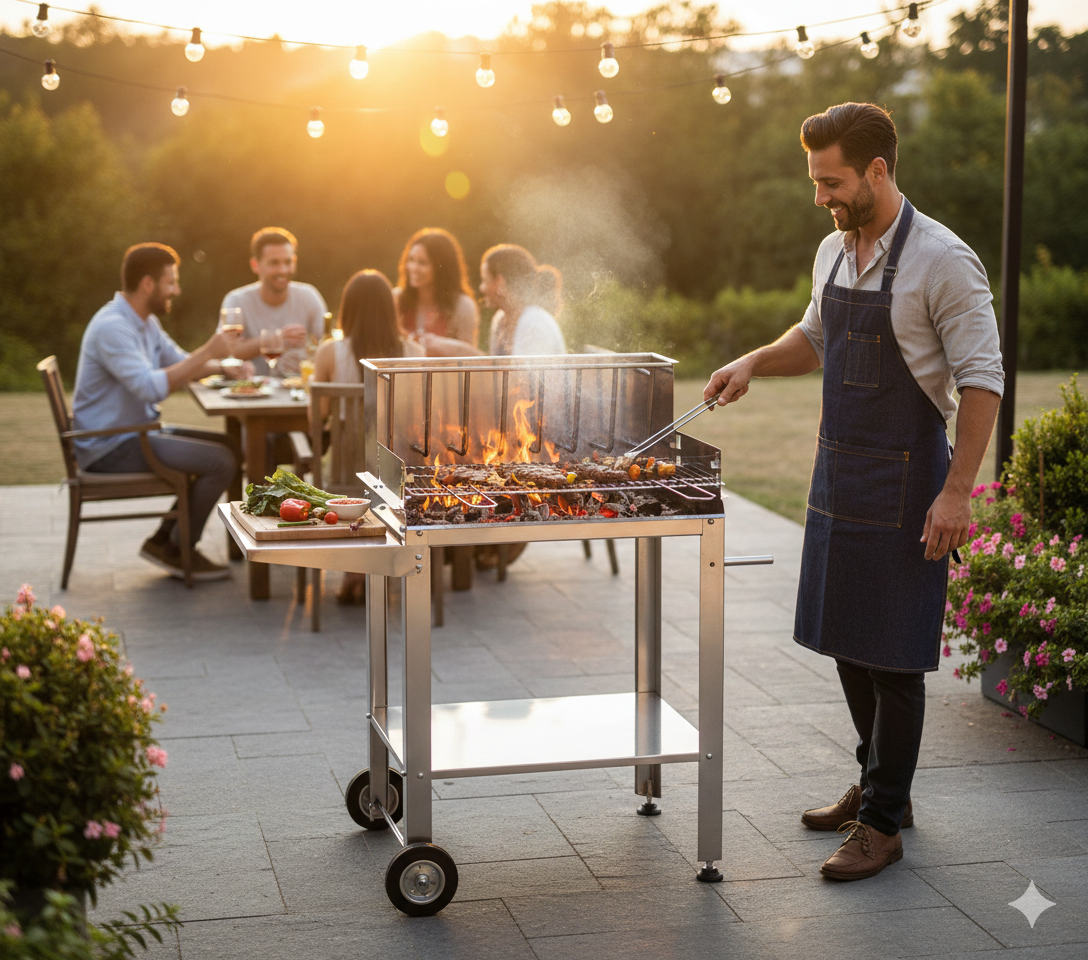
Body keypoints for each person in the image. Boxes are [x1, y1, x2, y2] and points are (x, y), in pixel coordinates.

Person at [703, 102, 1004, 882]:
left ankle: (882, 823)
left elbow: (982, 381)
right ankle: (882, 787)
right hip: (840, 473)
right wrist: (750, 363)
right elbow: (814, 337)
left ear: (877, 170)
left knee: (895, 654)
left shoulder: (944, 260)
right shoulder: (834, 250)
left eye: (831, 181)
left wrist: (958, 492)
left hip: (910, 482)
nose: (820, 197)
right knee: (847, 637)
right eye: (815, 182)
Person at [72, 243, 243, 581]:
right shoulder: (113, 328)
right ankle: (180, 551)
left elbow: (180, 362)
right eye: (171, 283)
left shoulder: (144, 322)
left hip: (137, 432)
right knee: (221, 461)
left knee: (231, 447)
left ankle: (164, 540)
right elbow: (151, 387)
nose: (176, 291)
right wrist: (211, 348)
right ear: (148, 284)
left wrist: (224, 368)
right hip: (110, 446)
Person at [311, 269, 422, 603]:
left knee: (356, 476)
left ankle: (356, 570)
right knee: (384, 478)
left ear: (347, 308)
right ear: (391, 310)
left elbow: (316, 421)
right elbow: (421, 420)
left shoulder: (331, 352)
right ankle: (382, 570)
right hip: (399, 475)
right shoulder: (414, 352)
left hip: (345, 474)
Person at [419, 244, 566, 358]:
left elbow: (520, 382)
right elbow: (498, 374)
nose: (481, 288)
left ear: (500, 283)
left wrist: (456, 349)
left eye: (485, 280)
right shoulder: (500, 320)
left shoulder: (534, 324)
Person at [220, 227, 327, 376]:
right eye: (274, 263)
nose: (282, 270)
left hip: (297, 392)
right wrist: (278, 338)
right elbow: (228, 351)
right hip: (250, 393)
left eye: (287, 262)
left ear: (294, 262)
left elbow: (327, 346)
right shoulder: (236, 300)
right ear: (255, 265)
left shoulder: (309, 296)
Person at [393, 228, 479, 349]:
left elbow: (468, 356)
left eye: (422, 262)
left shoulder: (462, 306)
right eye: (411, 260)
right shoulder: (396, 299)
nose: (413, 268)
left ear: (441, 268)